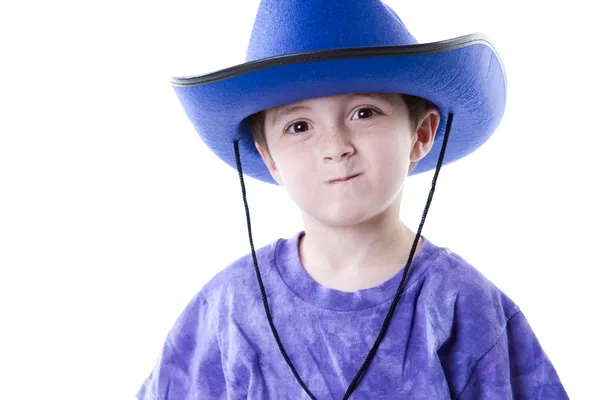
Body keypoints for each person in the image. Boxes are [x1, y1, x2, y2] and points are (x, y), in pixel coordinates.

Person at [137, 0, 570, 398]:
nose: (335, 146)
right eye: (299, 126)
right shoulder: (230, 309)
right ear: (268, 156)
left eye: (364, 113)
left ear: (420, 135)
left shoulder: (463, 307)